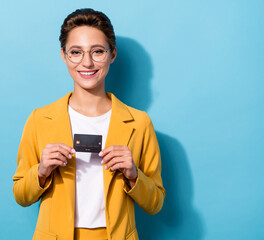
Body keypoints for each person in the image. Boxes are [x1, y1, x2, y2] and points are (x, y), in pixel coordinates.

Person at [12, 8, 165, 240]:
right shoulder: (39, 119)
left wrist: (134, 175)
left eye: (97, 51)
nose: (87, 62)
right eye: (76, 52)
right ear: (63, 55)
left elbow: (155, 203)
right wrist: (41, 172)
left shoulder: (140, 123)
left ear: (112, 55)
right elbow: (21, 196)